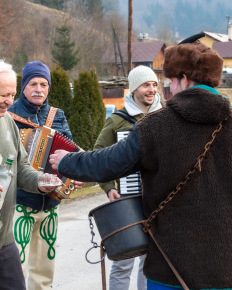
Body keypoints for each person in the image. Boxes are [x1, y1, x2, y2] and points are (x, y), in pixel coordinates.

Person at [49, 41, 232, 289]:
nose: (169, 90)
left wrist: (67, 161)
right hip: (229, 271)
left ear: (184, 80)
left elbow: (106, 164)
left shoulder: (153, 127)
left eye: (170, 82)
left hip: (169, 272)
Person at [8, 61, 82, 290]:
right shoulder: (8, 115)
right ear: (23, 87)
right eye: (33, 83)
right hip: (19, 202)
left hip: (50, 204)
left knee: (44, 271)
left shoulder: (57, 115)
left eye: (43, 84)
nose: (38, 89)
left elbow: (71, 150)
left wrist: (75, 174)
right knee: (15, 268)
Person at [0, 60, 60, 290]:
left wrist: (41, 181)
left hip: (3, 241)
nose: (9, 100)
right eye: (3, 94)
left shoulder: (8, 122)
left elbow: (22, 168)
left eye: (12, 94)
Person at [93, 65, 161, 290]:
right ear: (134, 90)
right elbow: (100, 153)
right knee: (124, 260)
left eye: (153, 85)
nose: (151, 90)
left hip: (160, 199)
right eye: (145, 85)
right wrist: (107, 186)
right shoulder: (118, 120)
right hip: (128, 198)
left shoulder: (166, 117)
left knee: (150, 260)